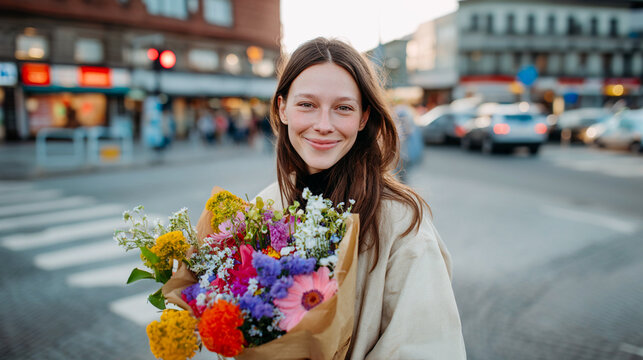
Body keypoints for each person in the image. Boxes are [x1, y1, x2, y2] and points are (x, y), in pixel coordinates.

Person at [255, 37, 466, 359]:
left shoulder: (402, 223)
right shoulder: (264, 207)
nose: (323, 125)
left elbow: (428, 346)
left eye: (343, 108)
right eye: (307, 105)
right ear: (282, 108)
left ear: (364, 117)